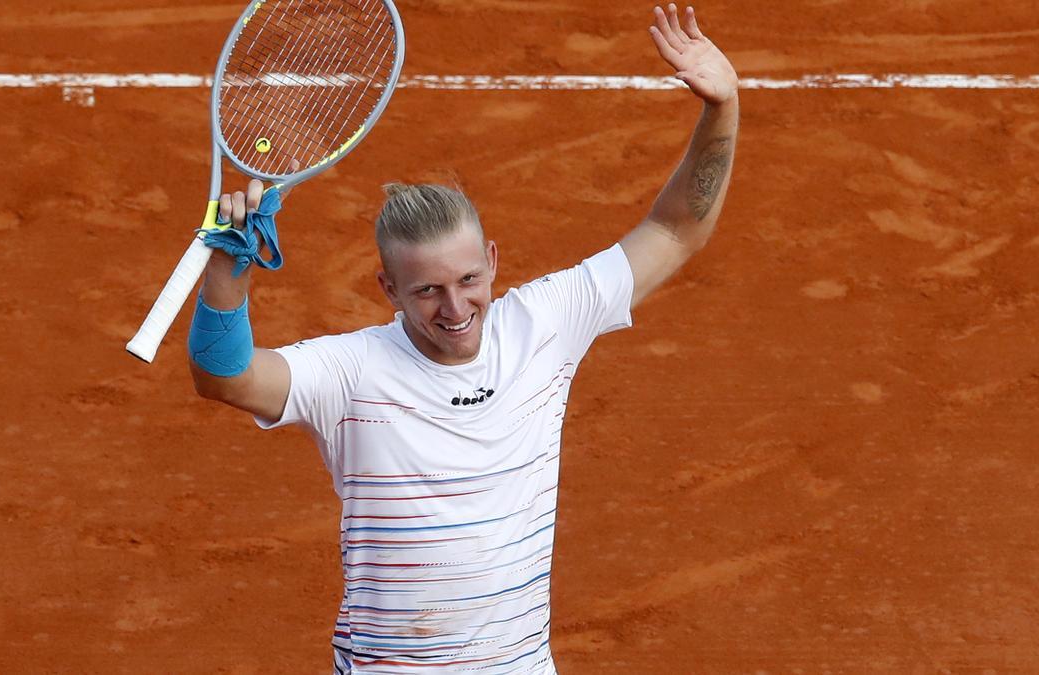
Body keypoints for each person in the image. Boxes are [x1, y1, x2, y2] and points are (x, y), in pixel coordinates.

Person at [188, 4, 738, 672]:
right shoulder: (351, 373)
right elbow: (225, 376)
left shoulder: (544, 323)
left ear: (494, 262)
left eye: (469, 279)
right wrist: (226, 282)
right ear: (388, 289)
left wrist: (722, 109)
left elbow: (677, 228)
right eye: (427, 290)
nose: (456, 307)